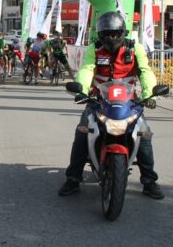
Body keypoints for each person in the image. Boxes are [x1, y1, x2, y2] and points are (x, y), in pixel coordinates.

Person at [58, 11, 164, 200]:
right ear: (100, 34)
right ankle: (73, 178)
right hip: (99, 100)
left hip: (129, 102)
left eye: (115, 33)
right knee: (82, 132)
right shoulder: (94, 49)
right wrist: (81, 90)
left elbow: (145, 71)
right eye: (106, 34)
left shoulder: (135, 49)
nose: (111, 38)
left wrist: (149, 94)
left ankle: (149, 181)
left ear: (123, 32)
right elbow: (87, 69)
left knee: (144, 135)